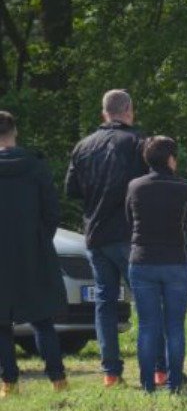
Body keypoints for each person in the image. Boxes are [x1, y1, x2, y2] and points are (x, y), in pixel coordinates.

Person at [65, 90, 147, 387]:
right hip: (129, 233)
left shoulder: (83, 146)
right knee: (147, 300)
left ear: (104, 113)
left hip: (95, 234)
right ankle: (157, 367)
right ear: (129, 110)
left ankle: (111, 372)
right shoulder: (137, 144)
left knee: (104, 301)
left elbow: (71, 190)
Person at [0, 111, 68, 396]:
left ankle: (9, 383)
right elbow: (52, 211)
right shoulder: (36, 165)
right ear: (14, 131)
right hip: (33, 251)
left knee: (1, 322)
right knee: (42, 320)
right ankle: (58, 379)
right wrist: (40, 240)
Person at [126, 136, 187, 393]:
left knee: (147, 326)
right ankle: (175, 383)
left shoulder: (135, 186)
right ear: (170, 159)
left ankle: (147, 385)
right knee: (174, 326)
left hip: (142, 261)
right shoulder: (184, 188)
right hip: (176, 261)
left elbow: (128, 219)